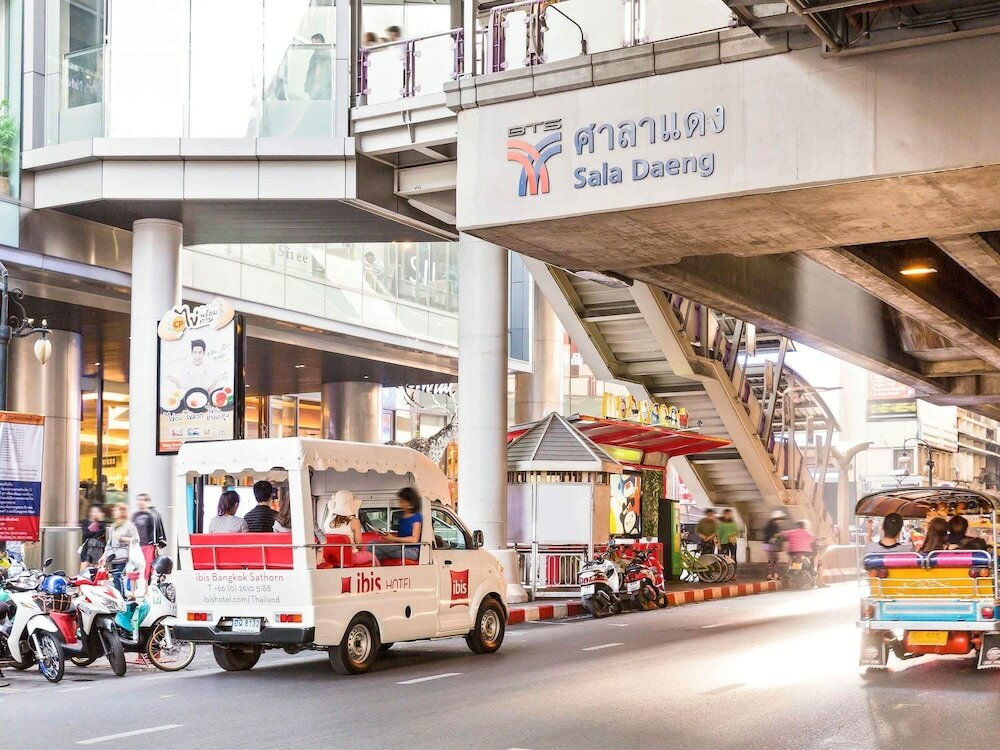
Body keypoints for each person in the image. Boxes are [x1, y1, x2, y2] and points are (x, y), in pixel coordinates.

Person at [374, 487, 423, 562]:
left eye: (402, 501)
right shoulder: (402, 517)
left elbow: (414, 539)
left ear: (409, 502)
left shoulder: (416, 517)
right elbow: (400, 537)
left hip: (412, 551)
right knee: (373, 546)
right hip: (400, 547)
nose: (400, 504)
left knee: (373, 546)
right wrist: (386, 536)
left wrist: (392, 539)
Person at [104, 503, 139, 595]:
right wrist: (104, 556)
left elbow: (135, 540)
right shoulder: (113, 526)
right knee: (115, 576)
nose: (115, 512)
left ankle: (121, 597)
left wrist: (122, 539)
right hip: (113, 555)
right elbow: (109, 542)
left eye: (117, 510)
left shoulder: (129, 525)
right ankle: (120, 596)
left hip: (124, 554)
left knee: (117, 576)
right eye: (114, 510)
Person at [131, 494, 166, 580]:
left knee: (148, 568)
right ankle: (133, 591)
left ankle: (146, 589)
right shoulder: (134, 515)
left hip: (149, 545)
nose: (141, 502)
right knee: (133, 567)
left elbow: (159, 529)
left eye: (143, 500)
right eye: (139, 500)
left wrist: (158, 544)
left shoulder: (153, 515)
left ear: (148, 502)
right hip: (136, 545)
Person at [79, 505, 107, 572]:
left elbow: (100, 533)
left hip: (99, 548)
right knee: (83, 570)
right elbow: (86, 533)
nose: (95, 513)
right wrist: (94, 527)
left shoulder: (102, 523)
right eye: (93, 511)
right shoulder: (85, 522)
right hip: (87, 548)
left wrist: (96, 524)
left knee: (97, 569)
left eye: (97, 512)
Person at [305, 33, 332, 100]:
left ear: (319, 41)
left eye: (314, 42)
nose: (313, 45)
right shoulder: (325, 53)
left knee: (316, 105)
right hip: (320, 85)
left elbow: (319, 67)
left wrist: (317, 83)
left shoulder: (321, 53)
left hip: (318, 86)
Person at [763, 510, 785, 581]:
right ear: (776, 518)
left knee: (774, 559)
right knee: (772, 559)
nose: (782, 521)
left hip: (769, 544)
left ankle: (774, 574)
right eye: (780, 519)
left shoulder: (773, 525)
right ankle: (770, 575)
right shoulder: (771, 525)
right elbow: (769, 535)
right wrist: (777, 535)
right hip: (769, 544)